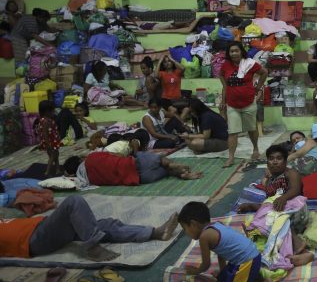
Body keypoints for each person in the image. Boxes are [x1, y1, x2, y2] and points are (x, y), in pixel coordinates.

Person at [0, 195, 179, 261]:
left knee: (104, 224)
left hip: (40, 226)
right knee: (73, 201)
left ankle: (155, 233)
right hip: (33, 240)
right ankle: (93, 247)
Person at [178, 202, 283, 282]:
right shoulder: (216, 225)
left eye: (185, 228)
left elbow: (206, 265)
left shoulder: (204, 237)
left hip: (248, 261)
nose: (186, 233)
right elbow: (221, 254)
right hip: (251, 257)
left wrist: (194, 271)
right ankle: (254, 277)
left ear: (193, 224)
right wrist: (223, 272)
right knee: (222, 279)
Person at [219, 42, 268, 166]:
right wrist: (223, 101)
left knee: (251, 129)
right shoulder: (225, 65)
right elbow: (224, 85)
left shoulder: (250, 63)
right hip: (232, 104)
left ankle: (255, 149)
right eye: (231, 51)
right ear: (229, 53)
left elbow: (264, 72)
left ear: (241, 51)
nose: (234, 53)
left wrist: (258, 88)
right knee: (232, 132)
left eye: (236, 50)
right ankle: (231, 157)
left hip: (249, 102)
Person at [64, 150, 202, 187]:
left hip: (140, 179)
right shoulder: (92, 157)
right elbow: (117, 154)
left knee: (166, 172)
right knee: (161, 160)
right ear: (80, 160)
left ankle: (180, 174)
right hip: (134, 163)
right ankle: (172, 165)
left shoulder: (90, 179)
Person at [34, 100, 61, 177]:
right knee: (53, 156)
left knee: (55, 155)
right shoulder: (46, 121)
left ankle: (57, 169)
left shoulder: (43, 120)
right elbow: (45, 133)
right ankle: (47, 172)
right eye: (52, 111)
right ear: (47, 112)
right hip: (51, 142)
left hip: (51, 141)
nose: (54, 112)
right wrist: (48, 144)